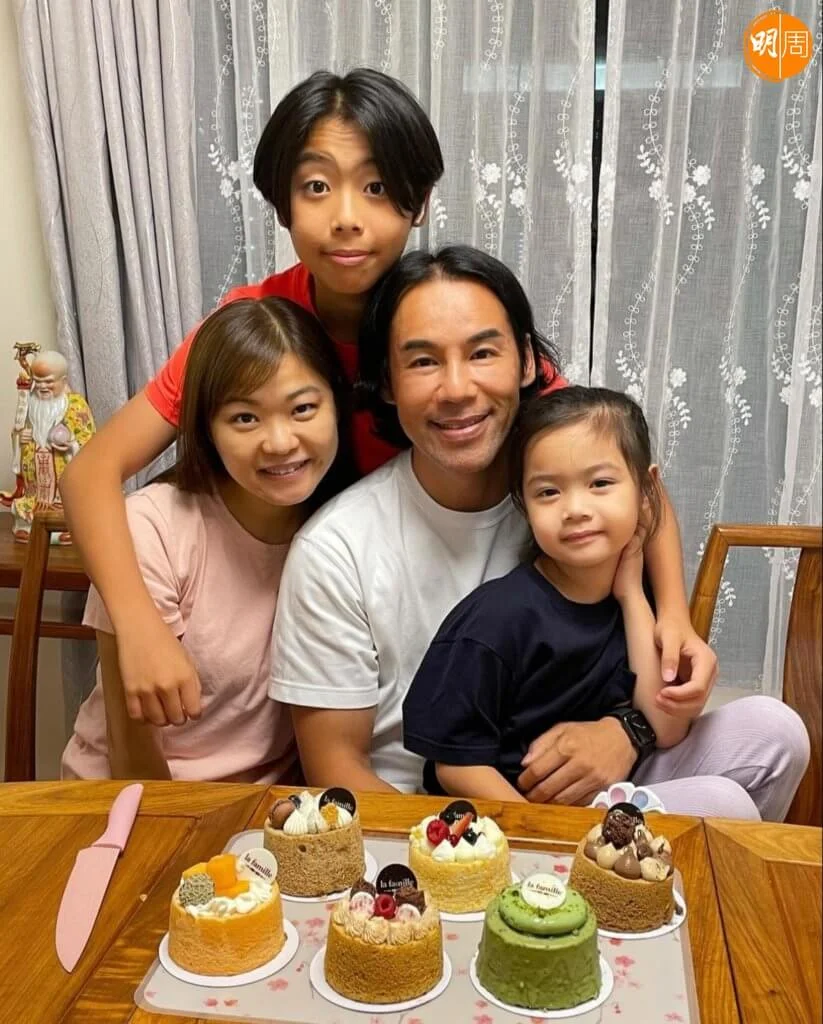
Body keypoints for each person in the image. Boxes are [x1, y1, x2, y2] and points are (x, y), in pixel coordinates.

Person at [270, 246, 735, 806]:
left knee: (773, 732)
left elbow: (645, 494)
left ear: (527, 362)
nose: (457, 388)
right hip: (435, 814)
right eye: (423, 362)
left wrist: (636, 709)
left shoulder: (563, 490)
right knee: (724, 804)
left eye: (482, 352)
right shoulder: (336, 549)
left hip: (594, 776)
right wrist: (507, 838)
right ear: (387, 383)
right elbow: (336, 772)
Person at [59, 68, 444, 728]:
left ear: (420, 201)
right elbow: (91, 472)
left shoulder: (450, 321)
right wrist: (140, 624)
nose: (346, 218)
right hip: (287, 637)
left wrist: (650, 613)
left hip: (406, 627)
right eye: (316, 186)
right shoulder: (253, 326)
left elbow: (585, 447)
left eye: (377, 187)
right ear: (283, 204)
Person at [402, 388, 809, 820]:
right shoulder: (498, 617)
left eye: (600, 484)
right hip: (533, 815)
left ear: (646, 490)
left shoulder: (635, 586)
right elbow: (453, 765)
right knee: (724, 804)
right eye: (548, 492)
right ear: (523, 502)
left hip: (621, 786)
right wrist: (539, 829)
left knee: (778, 728)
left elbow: (667, 728)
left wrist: (632, 597)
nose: (575, 509)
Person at [62, 297, 353, 781]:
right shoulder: (153, 529)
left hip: (264, 810)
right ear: (207, 430)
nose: (280, 442)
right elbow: (135, 761)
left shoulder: (345, 532)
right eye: (245, 418)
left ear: (337, 407)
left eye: (303, 409)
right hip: (131, 800)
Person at [1, 350, 95, 543]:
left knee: (71, 506)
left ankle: (66, 527)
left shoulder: (75, 405)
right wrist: (21, 439)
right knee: (29, 506)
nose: (42, 386)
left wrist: (71, 445)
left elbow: (89, 442)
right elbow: (17, 431)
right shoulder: (29, 403)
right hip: (35, 482)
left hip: (63, 482)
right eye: (38, 381)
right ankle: (32, 526)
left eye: (48, 381)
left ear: (63, 380)